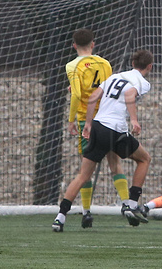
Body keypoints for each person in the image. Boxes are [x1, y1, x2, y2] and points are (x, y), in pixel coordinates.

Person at [53, 50, 154, 232]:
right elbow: (130, 96)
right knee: (144, 159)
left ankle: (60, 217)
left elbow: (93, 97)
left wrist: (88, 125)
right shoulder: (142, 81)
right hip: (115, 131)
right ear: (149, 67)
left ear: (132, 63)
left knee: (83, 175)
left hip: (98, 127)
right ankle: (131, 203)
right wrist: (134, 120)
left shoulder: (115, 77)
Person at [65, 28, 129, 229]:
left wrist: (71, 121)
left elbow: (76, 95)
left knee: (86, 170)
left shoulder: (73, 65)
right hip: (107, 120)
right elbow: (106, 91)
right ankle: (127, 205)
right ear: (93, 44)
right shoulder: (105, 64)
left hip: (87, 120)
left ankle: (86, 212)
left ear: (74, 45)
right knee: (115, 163)